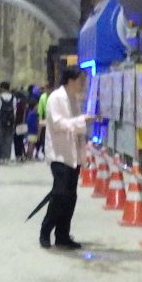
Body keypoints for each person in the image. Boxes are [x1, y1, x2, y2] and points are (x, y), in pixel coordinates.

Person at [40, 66, 91, 249]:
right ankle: (45, 231)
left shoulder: (74, 100)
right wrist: (81, 121)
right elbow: (57, 124)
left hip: (73, 156)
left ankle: (62, 234)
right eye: (80, 80)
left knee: (70, 197)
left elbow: (78, 131)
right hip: (59, 154)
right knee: (60, 194)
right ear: (70, 80)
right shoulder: (56, 98)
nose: (83, 84)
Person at [0, 81, 16, 166]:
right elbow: (14, 111)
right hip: (10, 122)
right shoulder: (14, 98)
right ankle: (7, 158)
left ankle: (0, 158)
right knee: (8, 140)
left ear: (1, 88)